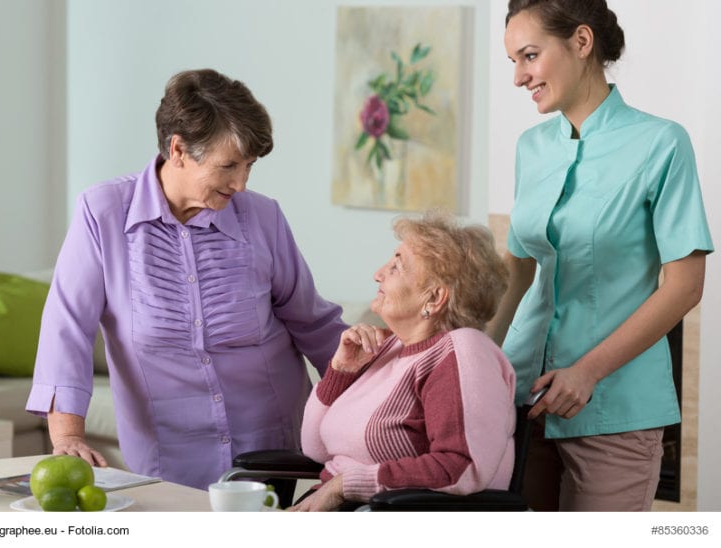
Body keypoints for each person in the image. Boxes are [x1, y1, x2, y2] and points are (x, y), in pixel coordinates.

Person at [26, 69, 347, 492]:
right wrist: (67, 436)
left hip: (269, 450)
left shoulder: (262, 217)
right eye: (228, 165)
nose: (241, 182)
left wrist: (384, 396)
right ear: (178, 149)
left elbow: (314, 322)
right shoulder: (103, 214)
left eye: (249, 165)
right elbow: (67, 329)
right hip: (168, 457)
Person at [492, 0, 714, 511]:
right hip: (522, 399)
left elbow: (685, 285)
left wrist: (586, 371)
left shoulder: (662, 143)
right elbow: (519, 270)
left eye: (530, 56)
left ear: (582, 42)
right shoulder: (531, 147)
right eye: (513, 63)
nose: (520, 77)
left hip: (615, 407)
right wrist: (481, 360)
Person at [289, 211, 516, 511]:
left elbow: (460, 466)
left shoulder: (463, 352)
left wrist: (345, 485)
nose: (378, 273)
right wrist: (340, 371)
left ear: (434, 298)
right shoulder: (389, 347)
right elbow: (315, 449)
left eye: (397, 266)